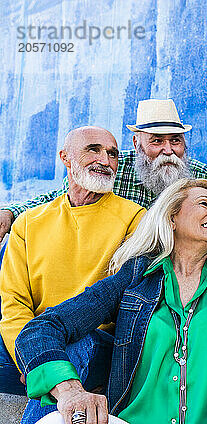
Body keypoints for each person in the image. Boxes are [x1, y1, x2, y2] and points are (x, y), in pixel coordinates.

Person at [15, 179, 207, 424]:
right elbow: (44, 327)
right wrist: (69, 390)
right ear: (172, 217)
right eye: (204, 204)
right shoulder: (137, 275)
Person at [0, 127, 145, 422]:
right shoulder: (29, 223)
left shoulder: (135, 218)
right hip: (34, 341)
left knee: (73, 346)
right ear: (65, 157)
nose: (105, 160)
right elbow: (13, 306)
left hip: (100, 342)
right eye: (93, 149)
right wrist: (31, 358)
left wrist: (44, 361)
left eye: (112, 153)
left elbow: (123, 300)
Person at [0, 99, 207, 244]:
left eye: (175, 140)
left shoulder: (200, 177)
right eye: (157, 141)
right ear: (137, 143)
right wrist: (10, 213)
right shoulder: (112, 166)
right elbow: (61, 197)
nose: (168, 150)